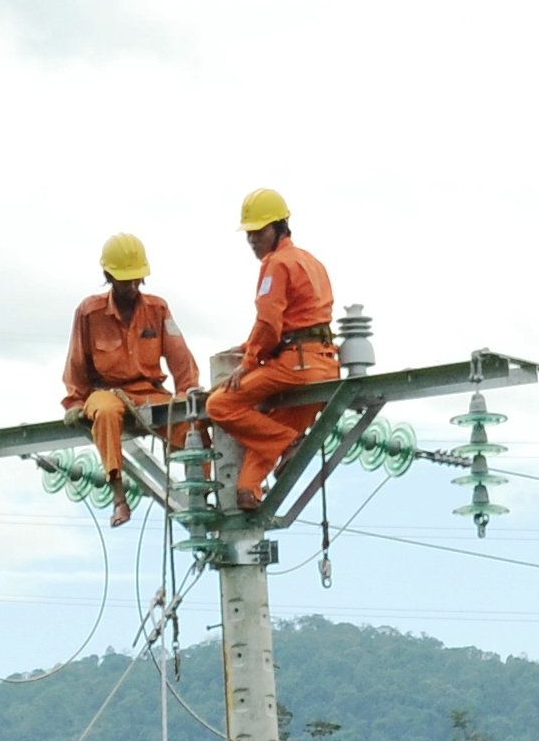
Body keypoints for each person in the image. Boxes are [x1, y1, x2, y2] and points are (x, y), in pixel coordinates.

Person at [204, 187, 337, 511]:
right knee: (262, 445)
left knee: (220, 405)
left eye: (259, 232)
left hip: (296, 365)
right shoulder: (312, 261)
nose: (253, 240)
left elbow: (269, 323)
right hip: (325, 368)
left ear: (280, 227)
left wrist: (247, 362)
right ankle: (250, 492)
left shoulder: (276, 264)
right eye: (249, 234)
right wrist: (250, 346)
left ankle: (291, 444)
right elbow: (295, 318)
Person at [62, 232, 199, 525]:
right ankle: (119, 498)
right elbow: (77, 362)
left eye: (137, 279)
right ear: (108, 276)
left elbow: (181, 357)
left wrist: (187, 395)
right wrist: (75, 402)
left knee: (191, 426)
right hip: (106, 392)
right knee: (107, 413)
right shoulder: (89, 312)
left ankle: (201, 498)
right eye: (126, 279)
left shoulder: (157, 309)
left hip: (150, 391)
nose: (133, 285)